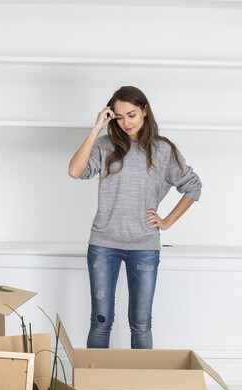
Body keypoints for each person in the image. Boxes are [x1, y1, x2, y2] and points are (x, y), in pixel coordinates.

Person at [68, 86, 202, 349]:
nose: (126, 122)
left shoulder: (163, 151)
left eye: (131, 114)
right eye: (118, 117)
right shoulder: (105, 146)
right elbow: (75, 171)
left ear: (144, 110)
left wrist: (167, 221)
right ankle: (94, 387)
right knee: (100, 321)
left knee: (141, 324)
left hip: (144, 248)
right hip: (103, 245)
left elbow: (193, 186)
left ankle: (140, 389)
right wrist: (96, 128)